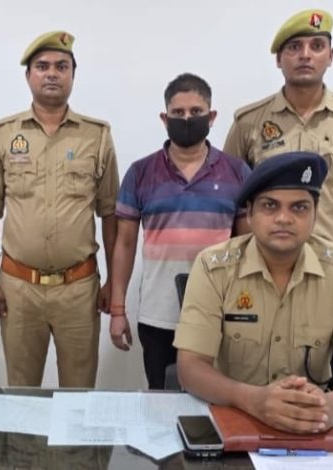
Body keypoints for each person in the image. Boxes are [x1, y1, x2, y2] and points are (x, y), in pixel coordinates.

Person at [174, 152, 333, 434]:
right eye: (270, 206)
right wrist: (253, 400)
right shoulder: (214, 268)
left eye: (299, 208)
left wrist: (329, 407)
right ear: (249, 213)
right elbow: (190, 368)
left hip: (311, 423)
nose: (284, 218)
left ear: (315, 214)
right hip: (234, 413)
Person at [0, 31, 119, 387]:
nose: (52, 73)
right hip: (18, 289)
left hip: (79, 289)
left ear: (73, 75)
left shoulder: (96, 136)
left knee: (80, 393)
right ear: (28, 76)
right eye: (42, 66)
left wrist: (115, 283)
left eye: (61, 66)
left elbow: (111, 214)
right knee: (22, 393)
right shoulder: (2, 134)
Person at [222, 9, 333, 302]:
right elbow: (232, 200)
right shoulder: (248, 123)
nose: (305, 55)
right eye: (294, 47)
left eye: (316, 46)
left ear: (330, 56)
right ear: (279, 59)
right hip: (267, 268)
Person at [109, 73, 250, 389]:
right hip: (158, 315)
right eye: (178, 113)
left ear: (211, 117)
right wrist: (118, 310)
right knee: (161, 398)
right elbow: (125, 244)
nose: (187, 119)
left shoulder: (237, 172)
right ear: (165, 118)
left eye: (196, 112)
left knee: (217, 399)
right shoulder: (140, 172)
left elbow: (248, 246)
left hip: (220, 314)